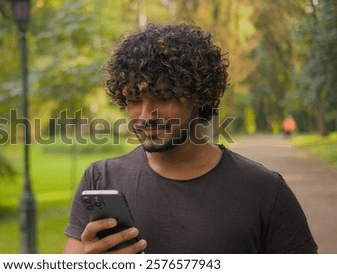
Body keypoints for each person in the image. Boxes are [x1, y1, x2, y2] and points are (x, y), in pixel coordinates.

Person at [63, 23, 317, 254]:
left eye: (163, 97)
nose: (145, 115)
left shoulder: (264, 190)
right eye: (134, 100)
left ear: (199, 96)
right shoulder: (100, 179)